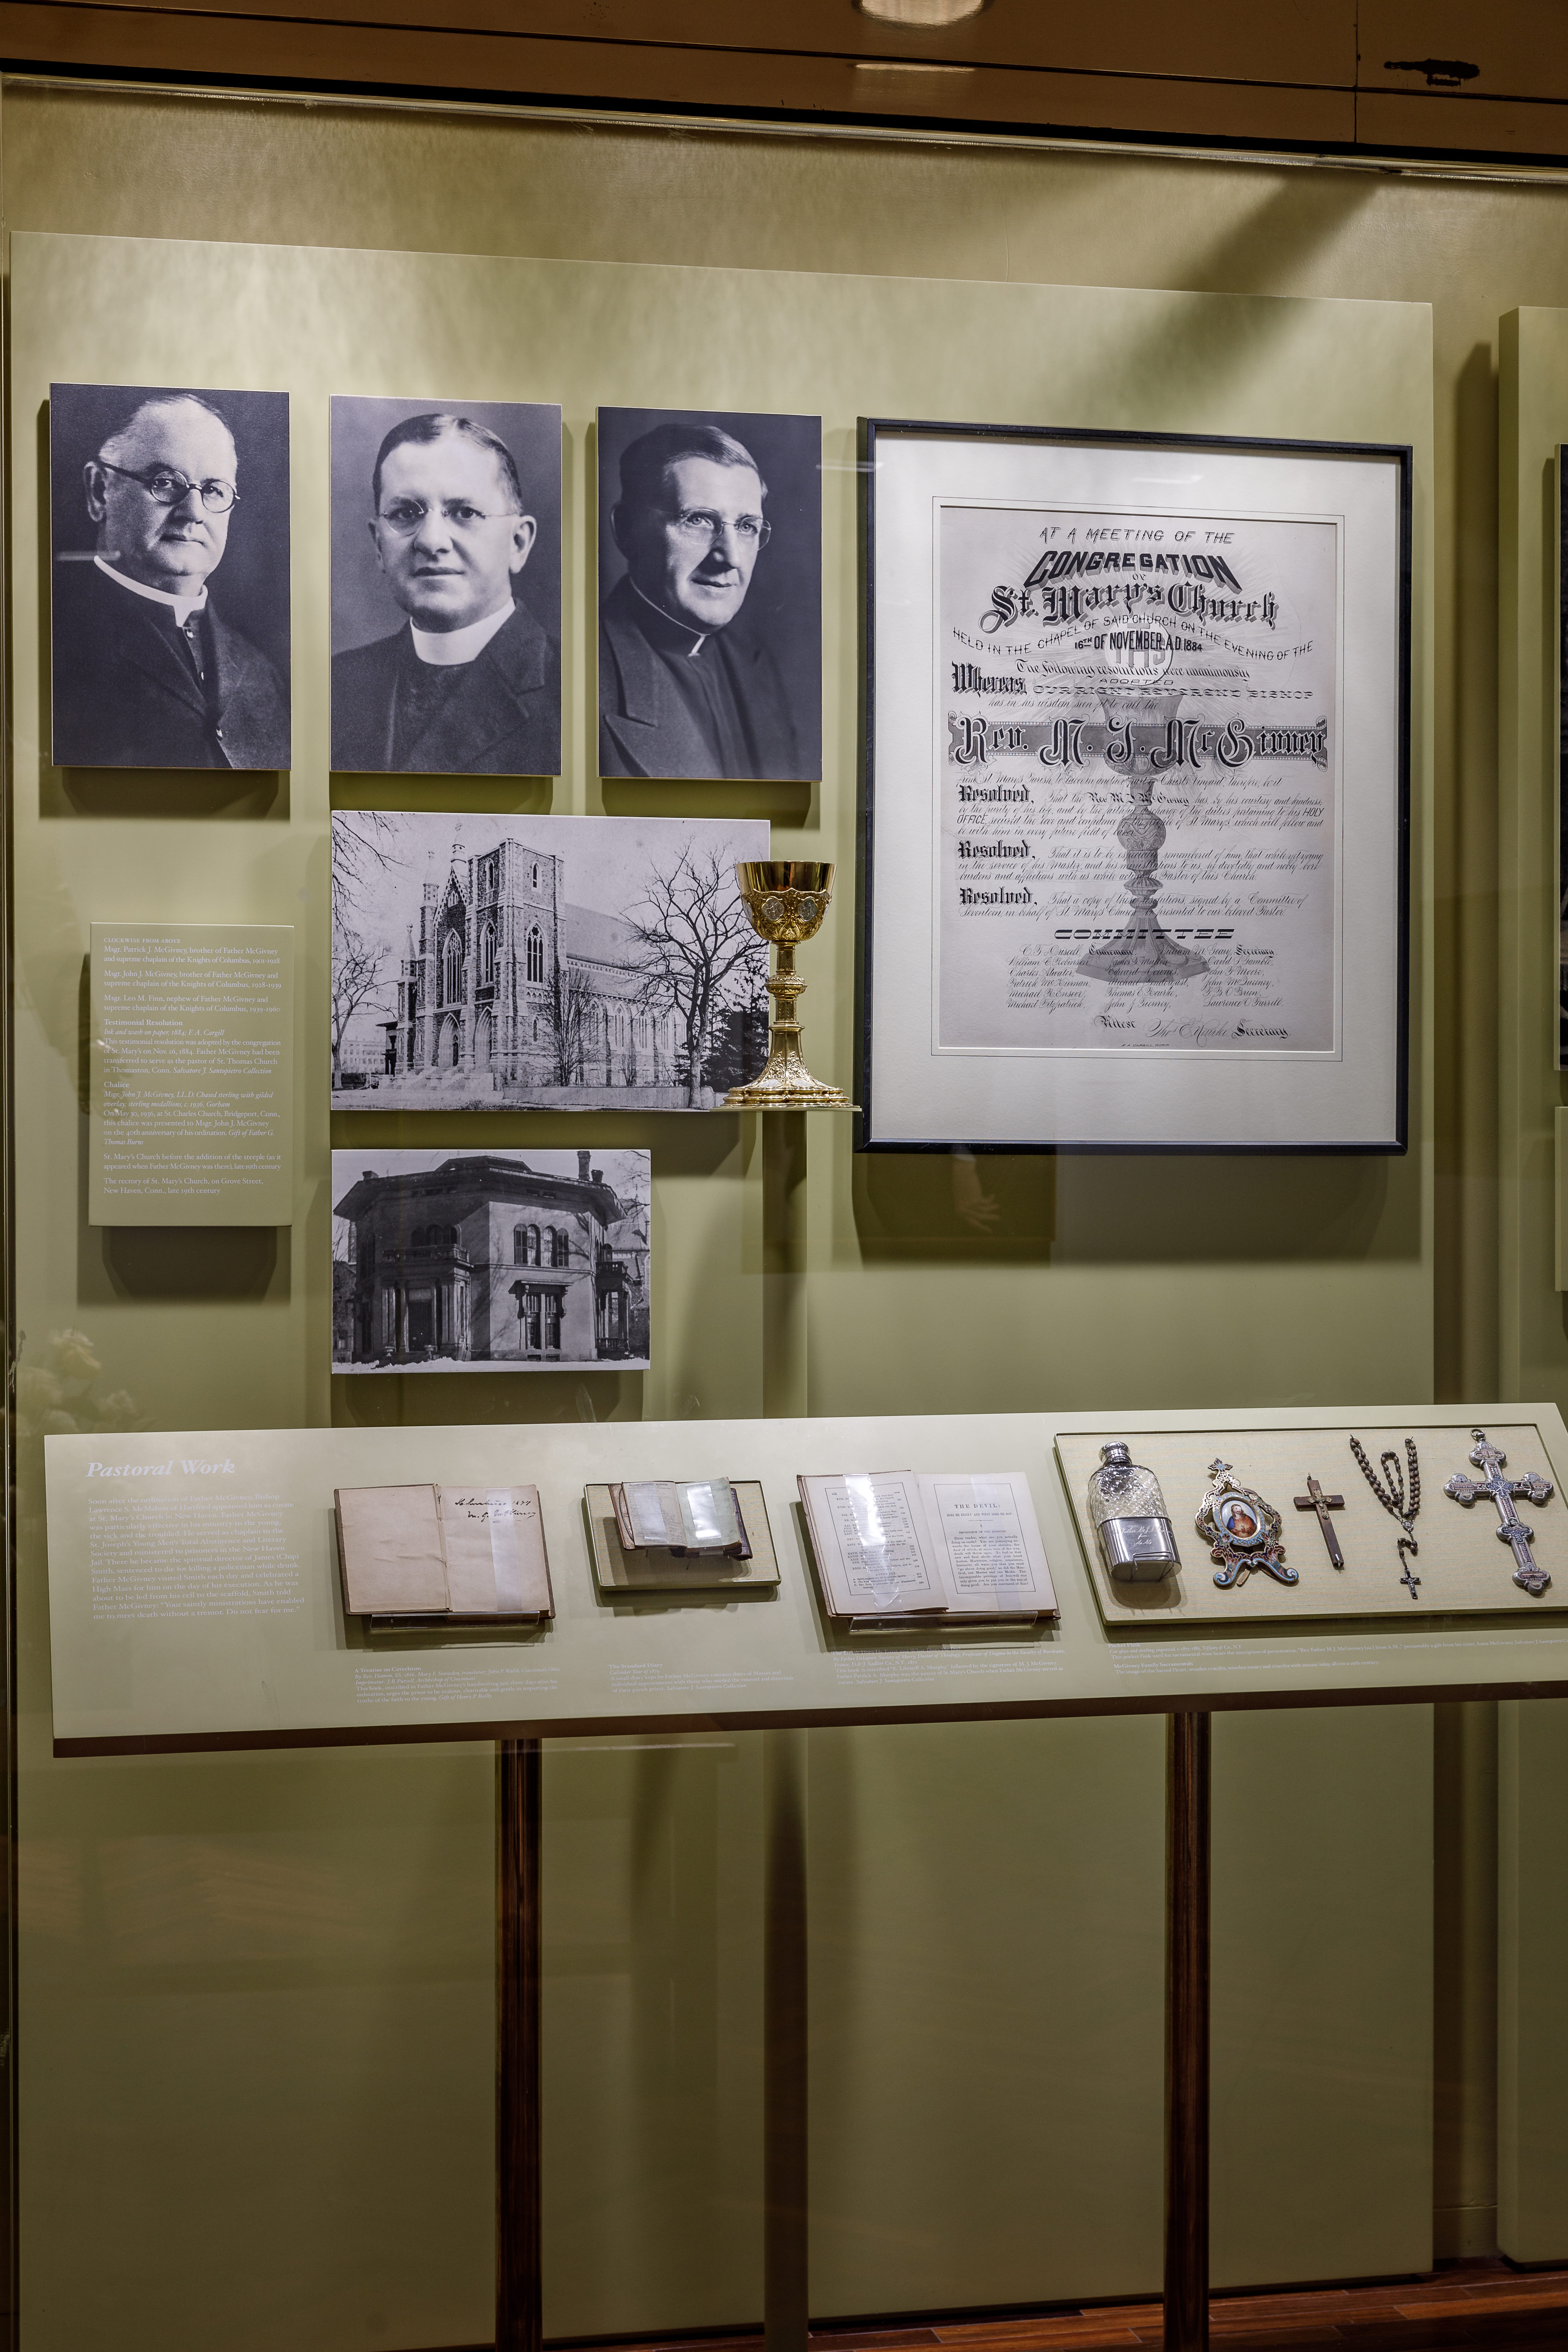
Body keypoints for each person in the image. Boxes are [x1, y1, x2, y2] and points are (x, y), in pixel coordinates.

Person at [51, 391, 290, 770]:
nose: (193, 512)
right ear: (100, 492)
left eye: (213, 490)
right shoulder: (50, 644)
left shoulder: (260, 671)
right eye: (164, 483)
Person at [332, 412, 560, 775]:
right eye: (406, 512)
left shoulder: (578, 694)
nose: (431, 540)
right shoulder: (335, 686)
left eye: (464, 512)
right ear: (379, 545)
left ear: (518, 543)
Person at [599, 420, 801, 780]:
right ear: (626, 530)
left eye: (746, 527)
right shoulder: (581, 679)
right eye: (698, 520)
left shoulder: (755, 664)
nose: (731, 557)